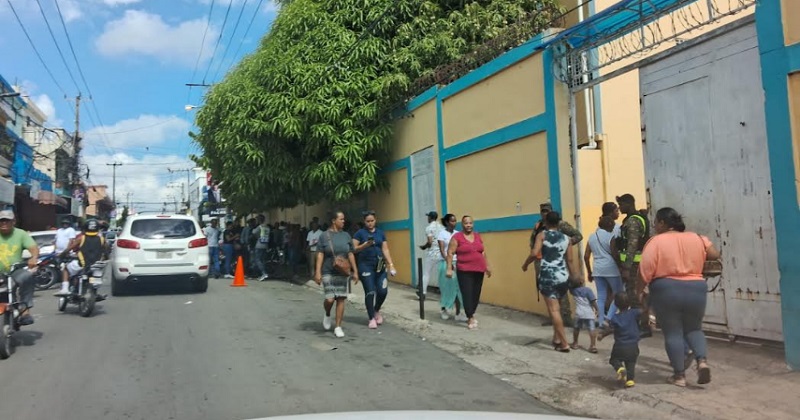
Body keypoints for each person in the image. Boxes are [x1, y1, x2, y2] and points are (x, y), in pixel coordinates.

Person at [639, 207, 720, 387]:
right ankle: (702, 361)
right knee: (694, 329)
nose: (654, 226)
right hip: (696, 288)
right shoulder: (697, 238)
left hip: (666, 289)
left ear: (662, 223)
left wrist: (639, 291)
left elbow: (645, 269)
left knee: (673, 332)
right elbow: (715, 254)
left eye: (655, 223)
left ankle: (679, 376)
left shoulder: (656, 242)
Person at [523, 211, 580, 352]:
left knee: (553, 311)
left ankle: (564, 343)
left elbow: (534, 253)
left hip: (548, 276)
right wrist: (575, 276)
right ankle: (556, 338)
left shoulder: (542, 235)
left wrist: (525, 264)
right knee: (558, 309)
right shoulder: (566, 239)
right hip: (562, 276)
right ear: (559, 222)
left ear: (546, 222)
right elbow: (570, 260)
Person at [529, 203, 582, 327]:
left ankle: (566, 317)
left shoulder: (560, 224)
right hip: (541, 262)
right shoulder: (539, 225)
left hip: (557, 262)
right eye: (542, 211)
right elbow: (533, 242)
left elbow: (578, 236)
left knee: (560, 289)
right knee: (546, 290)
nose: (544, 213)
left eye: (547, 211)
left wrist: (564, 246)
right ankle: (553, 317)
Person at [315, 211, 359, 338]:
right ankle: (327, 313)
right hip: (328, 270)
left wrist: (355, 271)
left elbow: (350, 253)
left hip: (342, 272)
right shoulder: (324, 236)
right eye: (341, 219)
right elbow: (320, 254)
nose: (344, 221)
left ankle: (338, 326)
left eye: (344, 219)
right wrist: (317, 272)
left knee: (340, 298)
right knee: (330, 299)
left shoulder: (346, 235)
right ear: (334, 220)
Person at [613, 193, 651, 336]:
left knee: (634, 295)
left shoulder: (633, 221)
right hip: (635, 262)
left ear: (629, 204)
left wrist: (627, 267)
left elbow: (632, 245)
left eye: (621, 205)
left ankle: (641, 326)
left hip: (634, 264)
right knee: (638, 294)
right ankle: (643, 323)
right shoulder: (632, 219)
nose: (620, 208)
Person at [446, 215, 492, 330]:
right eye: (466, 223)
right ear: (462, 224)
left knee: (475, 294)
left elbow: (482, 252)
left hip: (479, 269)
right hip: (464, 270)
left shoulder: (477, 235)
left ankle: (471, 313)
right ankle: (470, 317)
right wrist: (449, 268)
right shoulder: (457, 237)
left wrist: (487, 265)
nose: (468, 225)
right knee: (467, 294)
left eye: (470, 223)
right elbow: (450, 253)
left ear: (473, 224)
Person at [353, 211, 396, 329]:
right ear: (364, 222)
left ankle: (376, 310)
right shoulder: (359, 233)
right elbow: (353, 249)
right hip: (365, 265)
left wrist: (391, 264)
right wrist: (365, 245)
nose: (370, 223)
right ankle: (371, 317)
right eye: (368, 221)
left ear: (375, 220)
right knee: (370, 291)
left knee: (383, 291)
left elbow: (385, 249)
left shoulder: (380, 233)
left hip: (380, 264)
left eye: (372, 221)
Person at [0, 210, 39, 325]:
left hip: (15, 271)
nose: (4, 223)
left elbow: (33, 248)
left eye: (7, 220)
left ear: (13, 222)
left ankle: (25, 311)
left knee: (27, 276)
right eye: (1, 220)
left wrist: (33, 258)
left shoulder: (20, 234)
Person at [584, 216, 623, 328]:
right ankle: (609, 318)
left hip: (597, 269)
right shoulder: (611, 236)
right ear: (609, 226)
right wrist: (621, 266)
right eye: (612, 226)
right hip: (611, 269)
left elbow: (586, 256)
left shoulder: (591, 237)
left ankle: (600, 320)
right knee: (618, 293)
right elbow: (615, 254)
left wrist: (589, 271)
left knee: (601, 296)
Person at [598, 292, 640, 388]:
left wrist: (602, 335)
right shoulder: (634, 313)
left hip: (620, 346)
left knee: (614, 360)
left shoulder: (615, 318)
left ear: (616, 305)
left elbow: (611, 329)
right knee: (631, 362)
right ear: (629, 303)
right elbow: (643, 311)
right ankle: (630, 380)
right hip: (633, 346)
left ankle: (620, 369)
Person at [56, 219, 108, 297]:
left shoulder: (81, 238)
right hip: (95, 265)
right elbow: (107, 251)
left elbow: (70, 248)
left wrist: (62, 255)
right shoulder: (102, 239)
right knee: (97, 277)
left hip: (82, 264)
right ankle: (95, 292)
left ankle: (65, 289)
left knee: (65, 268)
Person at [437, 213, 465, 322]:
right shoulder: (442, 234)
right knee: (446, 288)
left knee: (458, 289)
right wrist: (449, 263)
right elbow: (443, 251)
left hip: (458, 263)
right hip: (446, 264)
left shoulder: (458, 234)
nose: (454, 223)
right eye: (452, 221)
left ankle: (458, 312)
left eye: (455, 221)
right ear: (447, 222)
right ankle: (444, 309)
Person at [569, 278, 599, 353]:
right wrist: (598, 310)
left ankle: (575, 343)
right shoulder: (588, 290)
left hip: (579, 313)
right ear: (581, 281)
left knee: (576, 328)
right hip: (589, 313)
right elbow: (593, 301)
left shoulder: (573, 291)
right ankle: (593, 346)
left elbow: (569, 286)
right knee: (591, 329)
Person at [418, 211, 441, 299]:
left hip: (432, 253)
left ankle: (423, 293)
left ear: (430, 218)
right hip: (441, 253)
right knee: (442, 273)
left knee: (426, 273)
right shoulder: (441, 227)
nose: (427, 218)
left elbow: (430, 242)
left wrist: (424, 246)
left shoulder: (429, 228)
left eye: (428, 217)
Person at [254, 215, 270, 281]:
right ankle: (263, 274)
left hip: (259, 245)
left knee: (257, 260)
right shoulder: (267, 227)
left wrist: (257, 236)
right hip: (265, 244)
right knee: (263, 260)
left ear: (259, 220)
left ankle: (264, 273)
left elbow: (254, 232)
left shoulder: (260, 227)